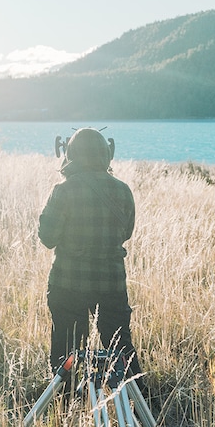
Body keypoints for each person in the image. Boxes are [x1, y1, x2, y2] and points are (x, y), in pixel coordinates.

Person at [38, 128, 143, 382]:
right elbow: (126, 233)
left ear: (70, 154)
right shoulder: (123, 190)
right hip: (112, 283)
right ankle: (142, 404)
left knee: (67, 351)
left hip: (68, 284)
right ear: (107, 153)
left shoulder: (63, 191)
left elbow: (47, 239)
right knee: (121, 347)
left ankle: (68, 405)